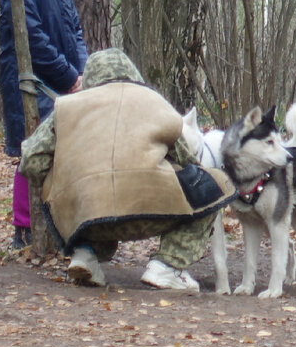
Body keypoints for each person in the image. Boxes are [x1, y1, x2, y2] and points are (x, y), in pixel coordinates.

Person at [18, 48, 235, 291]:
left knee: (67, 186)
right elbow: (187, 160)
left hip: (87, 216)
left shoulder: (66, 107)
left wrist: (64, 183)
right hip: (152, 213)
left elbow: (30, 160)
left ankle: (84, 252)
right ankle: (167, 267)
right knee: (216, 183)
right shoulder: (154, 101)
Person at [0, 0, 88, 250]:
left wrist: (81, 72)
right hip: (32, 85)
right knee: (31, 152)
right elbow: (30, 37)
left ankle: (60, 226)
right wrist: (67, 77)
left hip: (66, 84)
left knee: (63, 153)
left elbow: (76, 32)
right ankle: (25, 230)